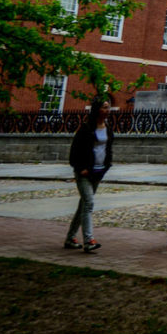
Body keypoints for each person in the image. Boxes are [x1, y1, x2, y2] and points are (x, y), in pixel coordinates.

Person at [65, 98, 113, 253]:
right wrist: (80, 169)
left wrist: (107, 166)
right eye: (104, 107)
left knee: (83, 205)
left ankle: (70, 238)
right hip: (85, 173)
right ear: (97, 109)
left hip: (98, 172)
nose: (107, 110)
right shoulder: (86, 129)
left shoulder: (108, 129)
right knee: (89, 203)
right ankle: (88, 240)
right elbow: (74, 151)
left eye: (108, 107)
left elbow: (108, 150)